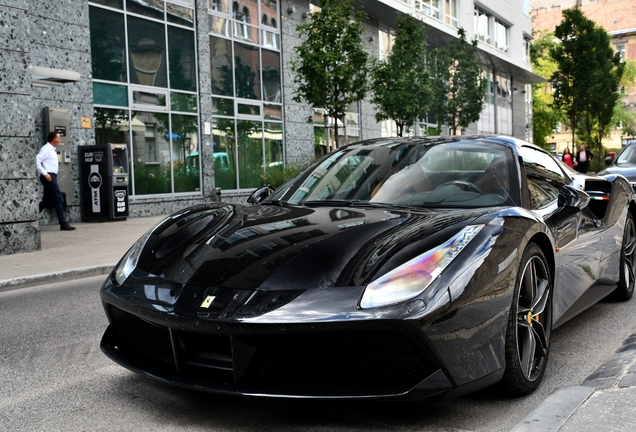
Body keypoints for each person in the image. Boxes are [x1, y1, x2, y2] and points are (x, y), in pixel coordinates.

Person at [36, 131, 76, 230]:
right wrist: (45, 174)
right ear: (54, 139)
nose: (60, 140)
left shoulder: (52, 149)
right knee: (59, 198)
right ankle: (63, 223)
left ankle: (31, 217)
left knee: (47, 200)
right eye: (59, 138)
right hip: (49, 177)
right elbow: (37, 160)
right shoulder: (46, 149)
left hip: (52, 176)